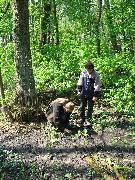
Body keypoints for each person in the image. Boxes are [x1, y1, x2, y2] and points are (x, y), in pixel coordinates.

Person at [77, 61, 101, 128]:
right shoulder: (83, 72)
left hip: (91, 93)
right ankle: (82, 119)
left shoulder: (96, 75)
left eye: (90, 69)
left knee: (90, 108)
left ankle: (88, 120)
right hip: (83, 92)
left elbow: (97, 85)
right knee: (82, 106)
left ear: (92, 68)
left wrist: (95, 95)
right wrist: (79, 90)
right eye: (88, 69)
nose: (89, 71)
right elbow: (80, 81)